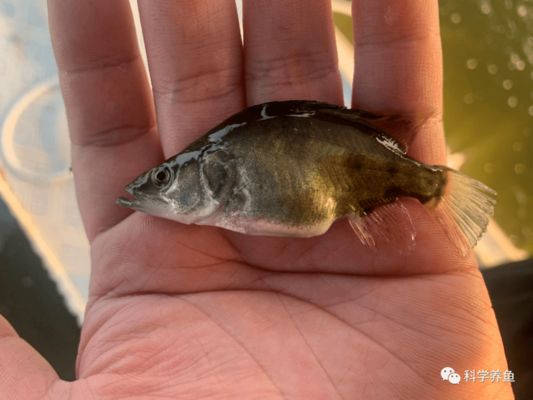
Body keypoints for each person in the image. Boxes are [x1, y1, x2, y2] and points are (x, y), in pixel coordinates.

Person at [0, 1, 514, 398]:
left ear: (212, 174)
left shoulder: (223, 161)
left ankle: (439, 187)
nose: (145, 190)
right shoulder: (218, 160)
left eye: (162, 179)